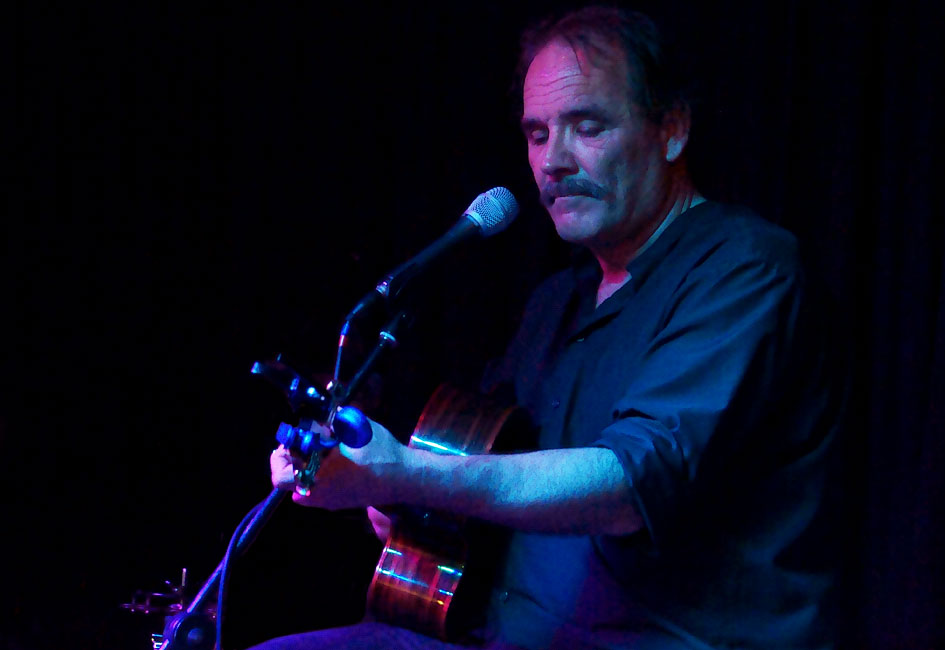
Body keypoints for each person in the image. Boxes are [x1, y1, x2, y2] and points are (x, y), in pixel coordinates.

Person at [251, 6, 844, 649]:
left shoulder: (745, 270)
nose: (553, 161)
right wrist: (386, 489)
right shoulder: (556, 302)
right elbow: (476, 475)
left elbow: (628, 485)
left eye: (586, 127)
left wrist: (405, 474)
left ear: (671, 130)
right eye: (537, 135)